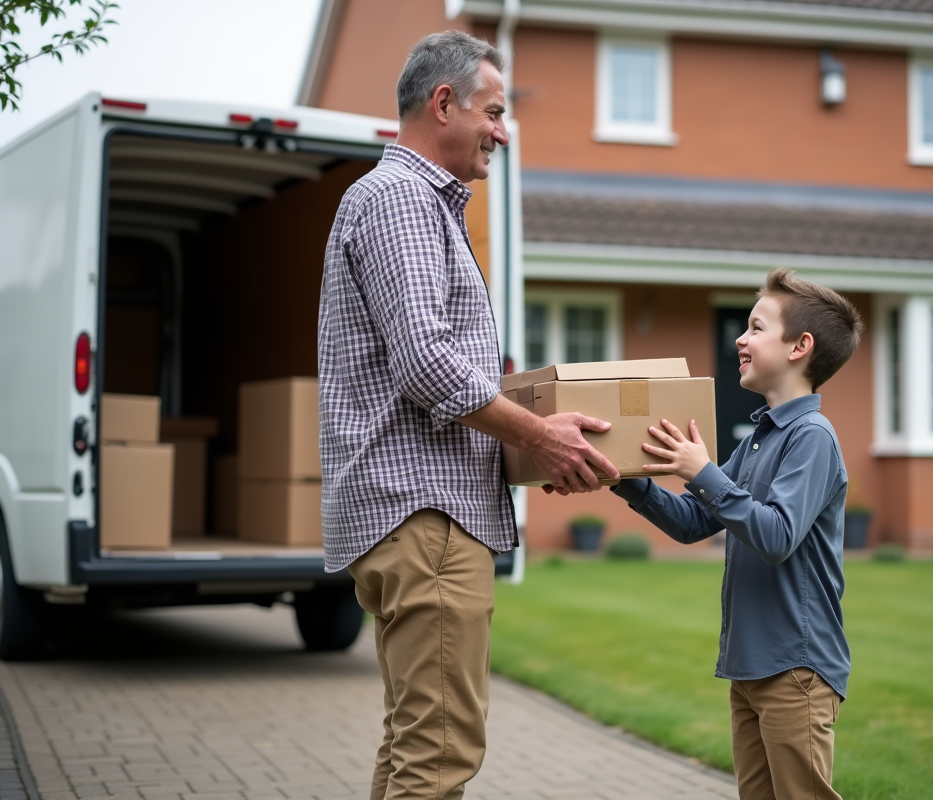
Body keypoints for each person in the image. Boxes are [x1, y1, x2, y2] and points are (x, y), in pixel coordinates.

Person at [317, 31, 619, 800]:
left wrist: (526, 437)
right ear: (443, 103)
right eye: (494, 111)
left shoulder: (411, 203)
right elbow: (426, 363)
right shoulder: (404, 200)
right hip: (427, 515)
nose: (502, 132)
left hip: (414, 514)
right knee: (440, 753)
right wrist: (540, 436)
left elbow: (433, 364)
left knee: (414, 742)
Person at [611, 268, 863, 800]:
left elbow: (776, 536)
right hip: (750, 666)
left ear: (799, 346)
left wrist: (703, 472)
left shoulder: (812, 437)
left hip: (796, 666)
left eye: (755, 328)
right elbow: (693, 522)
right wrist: (621, 477)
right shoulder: (756, 440)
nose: (740, 340)